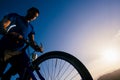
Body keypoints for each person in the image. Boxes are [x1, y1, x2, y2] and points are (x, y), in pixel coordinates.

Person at [0, 7, 43, 79]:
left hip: (19, 52)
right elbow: (2, 26)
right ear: (28, 11)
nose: (33, 16)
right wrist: (10, 34)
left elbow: (32, 41)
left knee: (28, 72)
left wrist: (36, 47)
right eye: (33, 13)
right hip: (5, 48)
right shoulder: (15, 17)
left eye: (35, 16)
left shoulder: (31, 27)